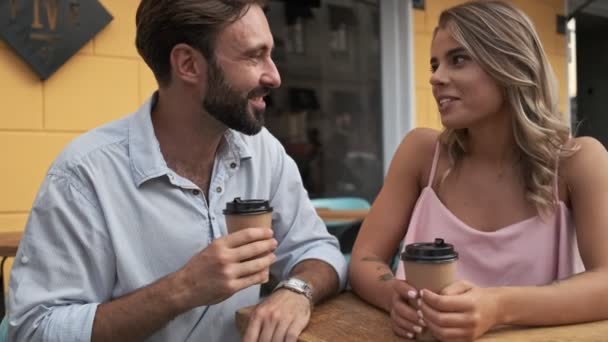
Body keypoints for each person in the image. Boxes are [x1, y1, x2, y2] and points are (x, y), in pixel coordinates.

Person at [8, 1, 347, 341]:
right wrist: (180, 290)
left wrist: (297, 290)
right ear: (188, 64)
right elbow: (34, 330)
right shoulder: (85, 174)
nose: (274, 76)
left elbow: (318, 249)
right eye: (253, 56)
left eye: (269, 54)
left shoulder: (262, 152)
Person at [349, 1, 608, 341]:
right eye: (434, 64)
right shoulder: (421, 154)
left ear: (511, 65)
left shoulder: (579, 161)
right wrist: (393, 295)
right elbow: (365, 258)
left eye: (458, 59)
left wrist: (498, 306)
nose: (435, 77)